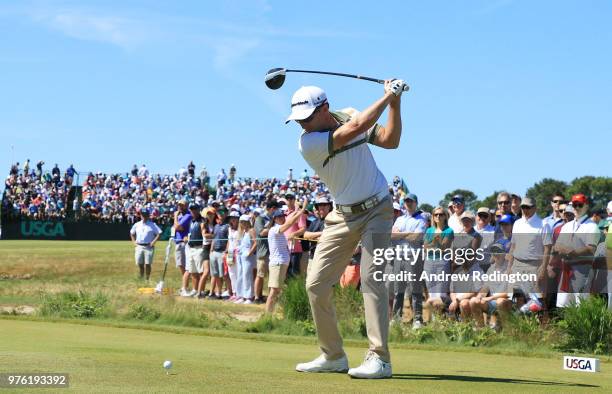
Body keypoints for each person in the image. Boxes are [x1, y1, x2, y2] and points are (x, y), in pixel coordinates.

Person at [290, 79, 406, 379]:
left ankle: (379, 358)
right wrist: (386, 96)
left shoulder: (351, 114)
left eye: (306, 118)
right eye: (298, 121)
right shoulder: (308, 142)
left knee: (371, 280)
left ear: (324, 109)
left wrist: (394, 102)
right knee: (315, 285)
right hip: (341, 216)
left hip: (378, 208)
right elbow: (352, 130)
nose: (302, 125)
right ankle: (333, 355)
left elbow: (391, 141)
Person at [506, 197, 552, 314]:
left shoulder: (543, 224)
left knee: (539, 300)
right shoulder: (517, 223)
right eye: (523, 207)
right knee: (518, 297)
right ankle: (521, 327)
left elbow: (548, 248)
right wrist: (509, 266)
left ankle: (544, 329)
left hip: (535, 265)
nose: (525, 209)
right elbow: (513, 246)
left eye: (528, 207)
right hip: (517, 265)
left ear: (535, 208)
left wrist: (543, 268)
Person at [555, 194, 600, 308]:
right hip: (566, 270)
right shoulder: (567, 226)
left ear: (586, 206)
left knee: (582, 307)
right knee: (565, 307)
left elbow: (591, 249)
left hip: (583, 270)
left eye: (580, 205)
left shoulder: (592, 226)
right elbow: (557, 245)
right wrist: (563, 250)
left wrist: (572, 252)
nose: (576, 207)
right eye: (574, 204)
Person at [390, 193, 427, 328]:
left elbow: (416, 238)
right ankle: (396, 318)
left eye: (411, 201)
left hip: (413, 256)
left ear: (416, 203)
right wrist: (406, 234)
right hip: (399, 256)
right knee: (398, 289)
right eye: (406, 201)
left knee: (415, 288)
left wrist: (401, 234)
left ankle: (417, 318)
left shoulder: (421, 219)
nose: (408, 203)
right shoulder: (399, 219)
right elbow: (392, 235)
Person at [267, 204, 307, 313]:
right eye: (279, 217)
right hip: (278, 263)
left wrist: (297, 210)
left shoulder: (278, 229)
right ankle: (267, 316)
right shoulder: (275, 229)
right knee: (274, 290)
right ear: (275, 219)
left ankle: (272, 313)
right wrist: (301, 210)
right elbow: (290, 222)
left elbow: (289, 219)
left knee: (276, 290)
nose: (282, 218)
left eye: (283, 216)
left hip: (281, 263)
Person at [423, 207, 454, 319]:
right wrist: (435, 242)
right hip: (429, 263)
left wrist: (435, 243)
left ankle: (443, 319)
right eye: (435, 214)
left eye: (441, 214)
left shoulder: (449, 231)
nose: (438, 216)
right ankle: (435, 320)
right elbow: (426, 248)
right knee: (432, 294)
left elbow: (444, 247)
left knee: (441, 294)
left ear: (445, 216)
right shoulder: (429, 230)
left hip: (442, 263)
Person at [254, 200, 279, 304]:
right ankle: (257, 297)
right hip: (263, 252)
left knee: (272, 277)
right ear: (272, 208)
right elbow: (262, 232)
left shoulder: (275, 219)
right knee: (260, 275)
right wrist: (274, 228)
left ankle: (270, 298)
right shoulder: (260, 218)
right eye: (276, 208)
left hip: (273, 252)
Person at [302, 197, 333, 274]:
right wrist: (321, 233)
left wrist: (314, 235)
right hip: (313, 256)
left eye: (324, 205)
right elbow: (305, 235)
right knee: (310, 282)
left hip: (326, 257)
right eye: (320, 205)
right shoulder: (315, 222)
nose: (321, 207)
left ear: (329, 207)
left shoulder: (333, 221)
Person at [129, 208, 162, 280]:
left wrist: (153, 242)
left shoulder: (152, 224)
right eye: (142, 214)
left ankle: (147, 278)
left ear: (148, 215)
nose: (144, 216)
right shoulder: (136, 224)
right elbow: (132, 233)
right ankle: (141, 276)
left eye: (145, 214)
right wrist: (134, 242)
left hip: (149, 247)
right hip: (139, 246)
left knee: (148, 264)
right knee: (139, 263)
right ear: (140, 215)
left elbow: (159, 233)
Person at [182, 203, 205, 297]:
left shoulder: (202, 221)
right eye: (191, 210)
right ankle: (195, 289)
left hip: (199, 248)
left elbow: (204, 233)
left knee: (200, 271)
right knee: (193, 271)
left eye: (195, 209)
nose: (193, 211)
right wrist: (186, 238)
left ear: (199, 210)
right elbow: (190, 234)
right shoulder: (191, 221)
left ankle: (201, 290)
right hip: (190, 248)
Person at [283, 191, 307, 278]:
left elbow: (303, 229)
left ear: (294, 200)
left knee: (294, 273)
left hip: (295, 248)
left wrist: (293, 234)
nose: (289, 200)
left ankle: (295, 291)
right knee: (286, 273)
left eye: (291, 198)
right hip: (284, 247)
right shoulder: (283, 214)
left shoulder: (299, 213)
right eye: (287, 198)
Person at [235, 214, 257, 304]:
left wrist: (250, 252)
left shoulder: (251, 230)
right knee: (240, 275)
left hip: (248, 256)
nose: (243, 224)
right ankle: (241, 295)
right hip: (240, 255)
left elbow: (256, 243)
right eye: (241, 222)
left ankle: (249, 297)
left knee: (247, 276)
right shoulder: (243, 231)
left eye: (244, 222)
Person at [210, 209, 230, 299]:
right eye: (219, 213)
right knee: (216, 274)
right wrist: (211, 249)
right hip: (214, 252)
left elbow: (229, 239)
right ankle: (219, 292)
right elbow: (214, 238)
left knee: (224, 275)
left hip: (222, 252)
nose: (220, 214)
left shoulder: (227, 226)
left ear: (225, 214)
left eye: (222, 213)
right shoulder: (216, 226)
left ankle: (229, 292)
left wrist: (226, 250)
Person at [196, 207, 216, 298]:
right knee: (206, 271)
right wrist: (216, 235)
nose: (210, 216)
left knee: (214, 272)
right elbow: (205, 235)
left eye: (211, 214)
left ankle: (212, 292)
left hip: (214, 247)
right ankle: (199, 292)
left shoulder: (216, 224)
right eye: (208, 214)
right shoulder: (204, 224)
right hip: (206, 248)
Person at [173, 200, 192, 295]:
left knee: (185, 266)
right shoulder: (181, 216)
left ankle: (185, 287)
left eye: (182, 205)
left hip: (183, 243)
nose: (180, 207)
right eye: (179, 205)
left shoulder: (187, 215)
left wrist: (175, 217)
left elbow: (178, 227)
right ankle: (185, 286)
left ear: (186, 206)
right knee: (181, 266)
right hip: (178, 242)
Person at [475, 207, 495, 272]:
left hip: (488, 267)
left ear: (489, 218)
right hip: (472, 266)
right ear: (476, 217)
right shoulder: (470, 230)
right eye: (480, 215)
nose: (482, 218)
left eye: (485, 216)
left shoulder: (494, 231)